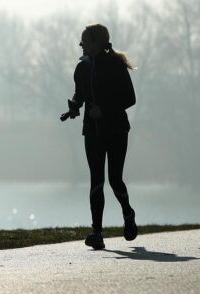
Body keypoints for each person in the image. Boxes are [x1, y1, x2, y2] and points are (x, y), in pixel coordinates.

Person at [67, 23, 137, 250]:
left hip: (116, 130)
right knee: (96, 180)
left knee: (114, 178)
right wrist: (75, 106)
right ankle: (97, 233)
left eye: (85, 40)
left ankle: (128, 214)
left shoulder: (116, 65)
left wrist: (104, 109)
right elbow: (80, 93)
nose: (81, 44)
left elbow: (129, 98)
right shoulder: (82, 68)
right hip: (93, 132)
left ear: (97, 43)